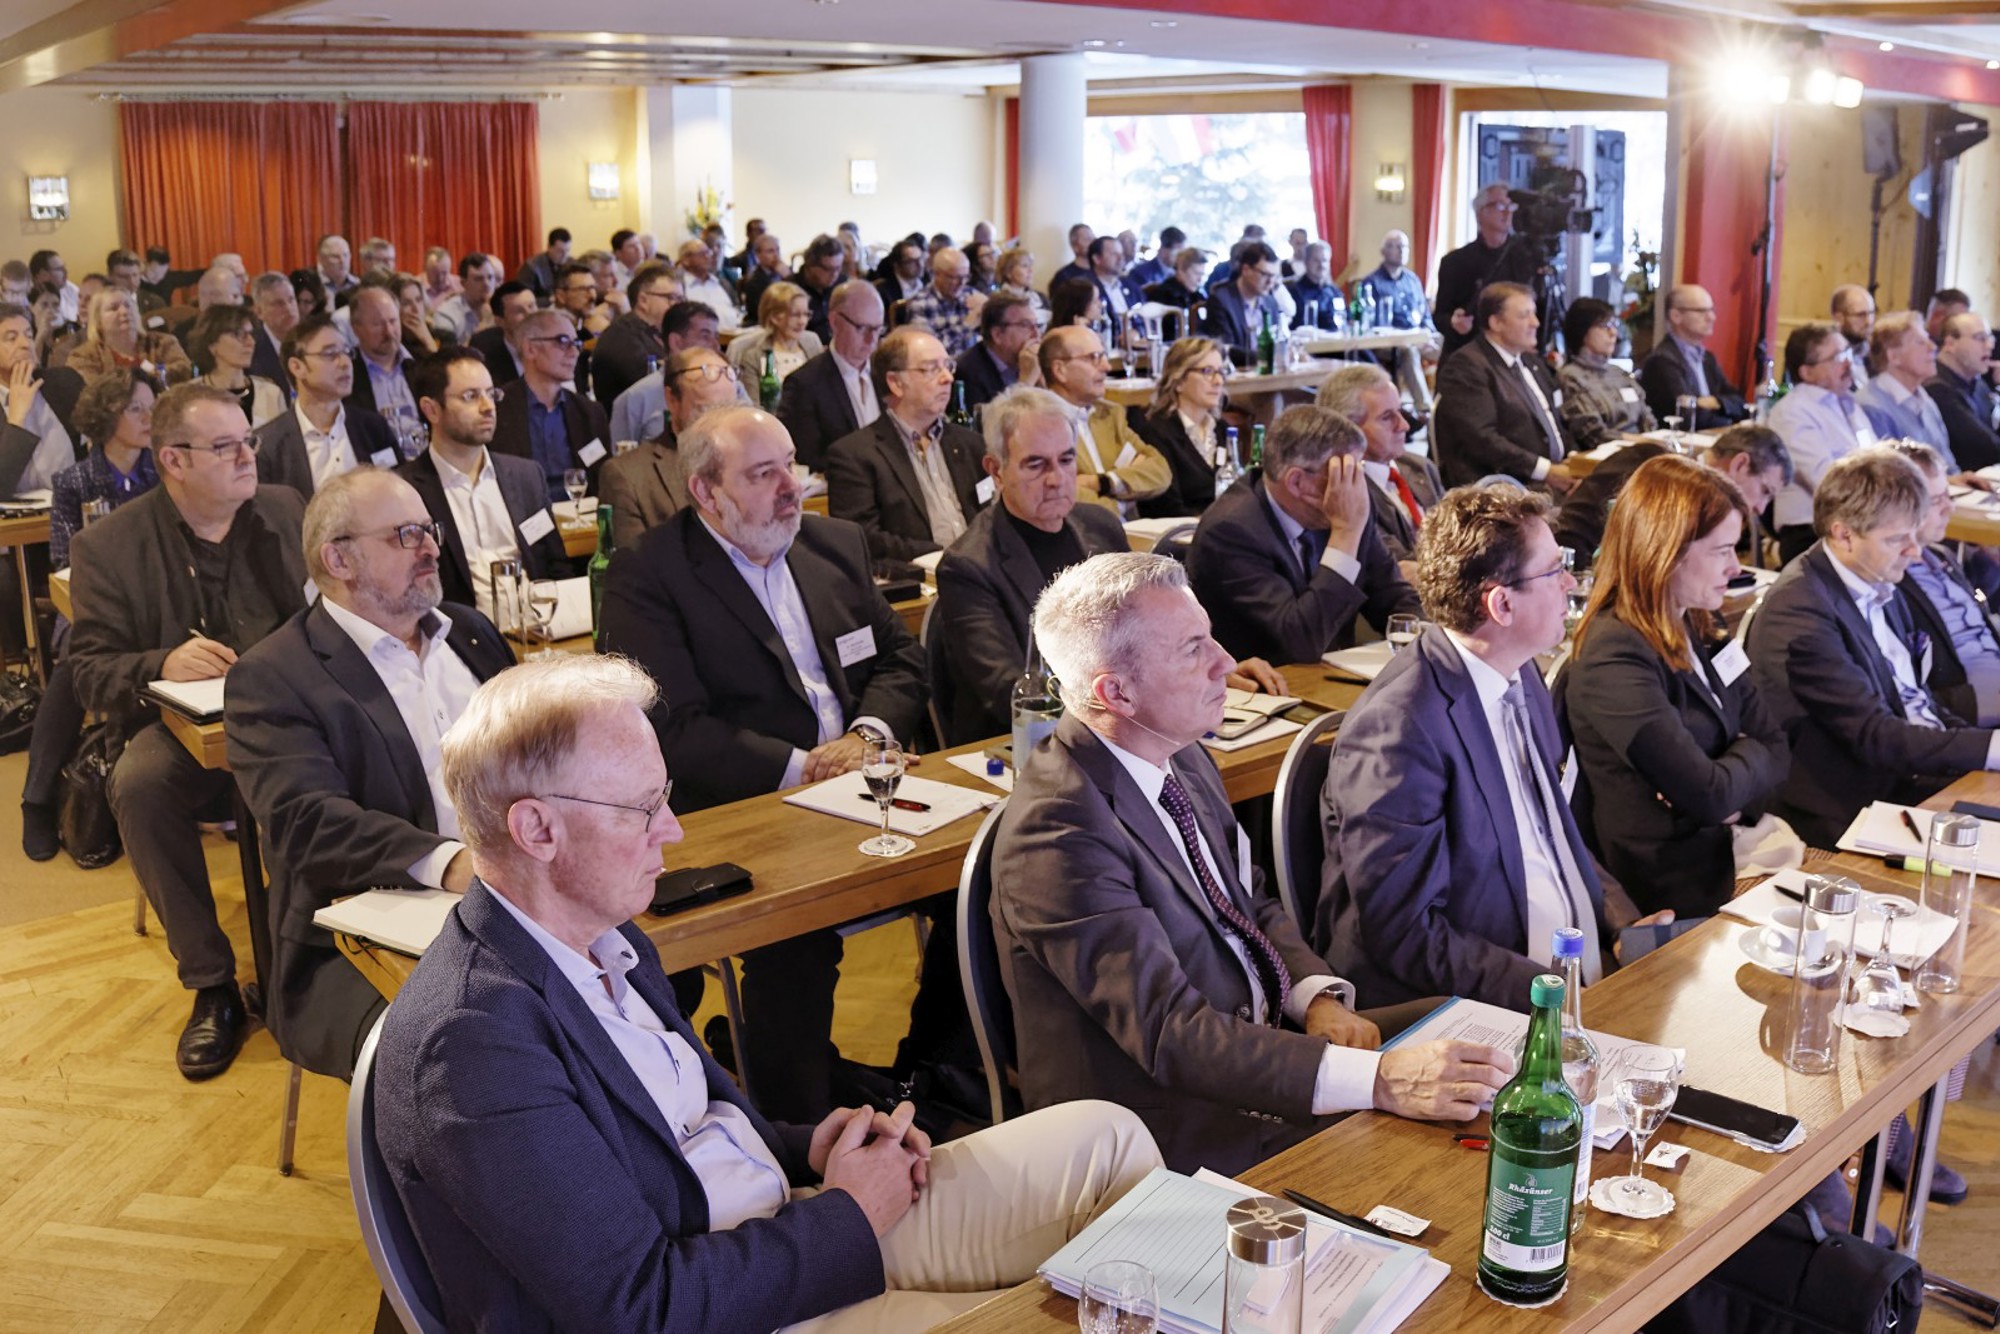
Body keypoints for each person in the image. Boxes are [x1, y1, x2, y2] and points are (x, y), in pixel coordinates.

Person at [370, 653, 1162, 1332]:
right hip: (735, 1307)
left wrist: (808, 1145)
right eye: (643, 808)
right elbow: (641, 1310)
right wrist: (851, 1213)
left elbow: (678, 1132)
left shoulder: (606, 936)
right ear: (538, 830)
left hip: (786, 1235)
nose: (673, 829)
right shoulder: (472, 1044)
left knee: (1108, 1140)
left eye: (665, 796)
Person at [992, 551, 1513, 1174]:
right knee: (1469, 1162)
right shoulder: (1057, 831)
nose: (1225, 662)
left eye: (1210, 636)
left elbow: (1248, 903)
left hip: (1265, 1050)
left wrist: (1314, 997)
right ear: (1116, 692)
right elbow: (1172, 1035)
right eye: (1193, 650)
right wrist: (1378, 1080)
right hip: (1172, 1132)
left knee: (1487, 1043)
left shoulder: (1180, 754)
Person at [600, 404, 943, 1123]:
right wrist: (807, 768)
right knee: (794, 938)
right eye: (763, 474)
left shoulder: (832, 544)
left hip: (866, 783)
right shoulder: (650, 574)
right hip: (745, 809)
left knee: (981, 882)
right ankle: (799, 1138)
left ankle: (939, 1073)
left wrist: (866, 734)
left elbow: (902, 658)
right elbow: (673, 726)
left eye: (791, 465)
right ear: (706, 491)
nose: (791, 487)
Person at [1318, 485, 1657, 1006]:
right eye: (1554, 570)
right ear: (1501, 604)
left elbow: (1550, 833)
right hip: (1471, 1004)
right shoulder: (1397, 730)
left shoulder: (1520, 671)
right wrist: (1551, 994)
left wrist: (1622, 925)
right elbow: (1405, 932)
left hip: (1574, 975)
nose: (1570, 582)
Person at [224, 469, 513, 1079]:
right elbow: (308, 823)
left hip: (519, 897)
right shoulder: (275, 675)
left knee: (644, 978)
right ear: (339, 559)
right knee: (474, 1053)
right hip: (360, 932)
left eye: (430, 530)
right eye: (405, 535)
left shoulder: (470, 633)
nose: (430, 547)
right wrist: (451, 864)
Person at [69, 383, 308, 1079]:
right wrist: (161, 662)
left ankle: (309, 959)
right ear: (173, 460)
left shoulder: (284, 510)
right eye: (226, 446)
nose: (247, 456)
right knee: (139, 784)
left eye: (248, 440)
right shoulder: (108, 545)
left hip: (287, 718)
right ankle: (212, 984)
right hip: (180, 734)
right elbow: (87, 673)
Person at [1561, 455, 1790, 918]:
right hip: (1665, 898)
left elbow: (1777, 746)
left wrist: (1727, 790)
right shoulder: (1613, 655)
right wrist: (1733, 772)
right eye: (1722, 551)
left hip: (1726, 857)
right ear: (1666, 551)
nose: (1735, 567)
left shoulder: (1704, 624)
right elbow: (1708, 795)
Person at [1746, 447, 2000, 847]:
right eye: (1897, 539)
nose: (1914, 551)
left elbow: (1918, 701)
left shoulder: (1874, 576)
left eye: (1914, 534)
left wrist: (1980, 745)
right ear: (1843, 534)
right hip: (1853, 809)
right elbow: (1874, 735)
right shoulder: (1798, 612)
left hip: (1911, 778)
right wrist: (1990, 748)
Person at [933, 386, 1129, 743]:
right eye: (1036, 465)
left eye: (1066, 460)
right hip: (1026, 743)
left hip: (1122, 723)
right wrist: (1121, 708)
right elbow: (1008, 689)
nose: (1055, 479)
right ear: (996, 470)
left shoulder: (1102, 527)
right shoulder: (969, 566)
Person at [19, 371, 161, 861]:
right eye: (136, 409)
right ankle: (37, 800)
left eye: (152, 408)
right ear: (107, 417)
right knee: (79, 661)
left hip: (157, 610)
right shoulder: (74, 482)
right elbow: (65, 562)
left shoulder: (164, 474)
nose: (149, 418)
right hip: (90, 609)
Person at [1187, 403, 1420, 663]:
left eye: (1357, 471)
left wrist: (1427, 636)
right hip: (1271, 681)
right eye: (1343, 474)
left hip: (1335, 677)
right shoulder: (1230, 532)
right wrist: (1345, 535)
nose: (1356, 486)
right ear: (1296, 482)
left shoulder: (1345, 507)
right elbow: (1300, 643)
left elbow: (1396, 600)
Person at [398, 349, 570, 609]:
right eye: (470, 396)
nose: (488, 407)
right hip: (459, 628)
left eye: (491, 394)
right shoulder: (405, 490)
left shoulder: (526, 476)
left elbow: (557, 566)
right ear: (431, 410)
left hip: (537, 621)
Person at [825, 328, 986, 562]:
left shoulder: (971, 444)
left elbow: (991, 513)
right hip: (915, 575)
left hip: (982, 571)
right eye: (931, 369)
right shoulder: (855, 455)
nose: (948, 378)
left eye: (948, 366)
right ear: (895, 383)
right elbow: (864, 539)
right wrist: (945, 557)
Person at [1552, 423, 1793, 572]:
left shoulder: (1714, 514)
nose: (1761, 509)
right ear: (1740, 464)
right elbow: (1569, 537)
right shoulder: (1645, 465)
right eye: (1765, 491)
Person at [1429, 282, 1579, 491]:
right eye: (1524, 315)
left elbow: (1558, 421)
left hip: (1554, 477)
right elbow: (1482, 440)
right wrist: (1545, 471)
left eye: (1534, 314)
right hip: (1503, 487)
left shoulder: (1530, 362)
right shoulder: (1466, 368)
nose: (1536, 323)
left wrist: (1575, 461)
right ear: (1496, 323)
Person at [1892, 440, 2000, 728]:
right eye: (1937, 500)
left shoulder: (1940, 555)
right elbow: (1904, 697)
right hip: (1969, 708)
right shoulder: (1890, 580)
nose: (1949, 508)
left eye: (1948, 496)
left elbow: (1981, 607)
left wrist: (1987, 558)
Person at [597, 347, 738, 549]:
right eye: (705, 410)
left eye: (730, 410)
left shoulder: (756, 464)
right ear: (672, 399)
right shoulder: (627, 476)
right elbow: (633, 564)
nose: (719, 423)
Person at [1768, 320, 1879, 564]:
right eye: (1838, 357)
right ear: (1807, 372)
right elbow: (1826, 483)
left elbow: (1877, 460)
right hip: (1813, 533)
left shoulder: (1849, 404)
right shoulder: (1792, 412)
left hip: (1860, 523)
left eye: (1848, 353)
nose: (1849, 363)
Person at [254, 313, 400, 498]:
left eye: (346, 352)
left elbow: (399, 490)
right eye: (330, 354)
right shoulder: (269, 446)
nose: (345, 363)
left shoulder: (373, 428)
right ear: (297, 367)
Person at [1316, 362, 1443, 568]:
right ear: (1347, 430)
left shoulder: (1419, 467)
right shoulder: (1345, 491)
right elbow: (1395, 566)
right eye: (1387, 418)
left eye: (1401, 411)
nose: (1404, 425)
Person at [1040, 325, 1171, 518]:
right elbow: (1061, 494)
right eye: (1094, 358)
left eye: (1104, 356)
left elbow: (1160, 471)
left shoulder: (1110, 414)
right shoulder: (1040, 424)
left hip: (1131, 532)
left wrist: (1103, 483)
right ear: (1060, 370)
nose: (1106, 367)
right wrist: (1122, 499)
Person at [489, 309, 613, 503]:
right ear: (530, 349)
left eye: (576, 344)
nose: (574, 352)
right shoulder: (497, 409)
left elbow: (603, 478)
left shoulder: (589, 412)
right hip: (521, 514)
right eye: (563, 342)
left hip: (582, 513)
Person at [776, 281, 885, 472]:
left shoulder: (888, 373)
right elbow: (806, 456)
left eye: (878, 329)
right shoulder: (805, 384)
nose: (872, 340)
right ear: (835, 322)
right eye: (862, 328)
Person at [1433, 184, 1540, 361]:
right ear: (1480, 213)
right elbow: (1439, 317)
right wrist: (1454, 323)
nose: (1507, 212)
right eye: (1500, 206)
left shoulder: (1527, 259)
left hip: (1515, 356)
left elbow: (1540, 309)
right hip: (1467, 355)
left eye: (1511, 206)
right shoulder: (1455, 261)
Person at [1129, 336, 1229, 518]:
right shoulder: (1157, 433)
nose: (1218, 381)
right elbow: (1168, 509)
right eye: (1207, 371)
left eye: (1221, 372)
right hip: (1181, 530)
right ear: (1179, 381)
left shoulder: (1222, 429)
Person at [606, 301, 723, 448]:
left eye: (716, 336)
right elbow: (620, 459)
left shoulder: (732, 387)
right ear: (676, 342)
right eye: (705, 336)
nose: (716, 345)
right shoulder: (635, 399)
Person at [1635, 284, 1750, 431]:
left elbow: (1741, 402)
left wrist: (1716, 402)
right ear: (1676, 316)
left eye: (1712, 310)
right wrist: (1726, 414)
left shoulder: (1707, 358)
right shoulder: (1661, 361)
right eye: (1702, 311)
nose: (1711, 317)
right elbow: (1688, 416)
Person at [1856, 311, 1956, 471]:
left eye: (1928, 339)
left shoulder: (1925, 400)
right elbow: (1890, 476)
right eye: (1920, 342)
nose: (1933, 347)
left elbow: (1948, 465)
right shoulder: (1871, 407)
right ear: (1894, 356)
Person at [0, 301, 78, 497]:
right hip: (14, 516)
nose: (25, 344)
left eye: (29, 335)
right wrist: (16, 421)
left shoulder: (65, 383)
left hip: (72, 507)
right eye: (11, 338)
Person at [1556, 297, 1655, 446]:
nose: (1613, 332)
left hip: (1643, 448)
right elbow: (1594, 434)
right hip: (1607, 453)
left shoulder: (1620, 373)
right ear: (1582, 331)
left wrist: (1653, 441)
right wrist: (1644, 442)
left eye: (1614, 325)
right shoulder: (1571, 378)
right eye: (1605, 326)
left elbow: (1647, 417)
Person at [591, 261, 681, 408]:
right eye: (670, 298)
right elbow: (654, 385)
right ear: (643, 300)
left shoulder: (659, 333)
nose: (677, 305)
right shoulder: (621, 337)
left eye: (680, 299)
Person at [345, 285, 423, 447]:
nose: (389, 332)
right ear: (356, 328)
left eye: (393, 321)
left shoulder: (421, 362)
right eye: (377, 324)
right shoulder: (346, 373)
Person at [186, 304, 286, 429]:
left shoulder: (271, 394)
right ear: (212, 344)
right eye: (239, 334)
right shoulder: (190, 396)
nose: (251, 342)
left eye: (251, 334)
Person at [1925, 311, 2000, 474]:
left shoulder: (1977, 382)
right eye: (1980, 338)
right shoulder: (1937, 388)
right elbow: (1988, 448)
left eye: (1990, 338)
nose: (1989, 345)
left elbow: (1995, 428)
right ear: (1950, 344)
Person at [66, 288, 191, 383]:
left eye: (128, 305)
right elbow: (94, 390)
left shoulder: (163, 342)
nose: (124, 311)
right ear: (98, 321)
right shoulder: (83, 356)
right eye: (114, 308)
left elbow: (185, 369)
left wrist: (154, 371)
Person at [951, 289, 1039, 414]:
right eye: (1025, 325)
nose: (1036, 334)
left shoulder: (1030, 361)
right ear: (997, 335)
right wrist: (1026, 382)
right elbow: (991, 424)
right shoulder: (967, 372)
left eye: (1037, 325)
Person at [727, 281, 825, 394]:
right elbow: (753, 402)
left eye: (806, 314)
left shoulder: (812, 342)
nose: (802, 321)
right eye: (795, 315)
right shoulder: (753, 356)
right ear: (774, 317)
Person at [1198, 241, 1285, 368]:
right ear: (1245, 270)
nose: (1270, 282)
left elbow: (1277, 339)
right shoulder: (1221, 300)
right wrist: (1264, 357)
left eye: (1274, 276)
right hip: (1237, 371)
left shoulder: (1270, 301)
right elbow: (1226, 349)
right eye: (1265, 275)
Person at [902, 247, 982, 360]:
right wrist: (965, 326)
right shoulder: (920, 304)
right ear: (937, 274)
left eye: (966, 277)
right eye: (955, 277)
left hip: (973, 362)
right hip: (944, 365)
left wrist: (987, 309)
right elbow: (927, 350)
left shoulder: (969, 294)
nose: (962, 283)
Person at [1353, 229, 1436, 334]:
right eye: (1397, 247)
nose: (1402, 251)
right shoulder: (1371, 283)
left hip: (1417, 335)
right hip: (1390, 339)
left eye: (1405, 247)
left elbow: (1425, 316)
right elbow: (1368, 322)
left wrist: (1431, 334)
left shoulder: (1413, 281)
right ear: (1383, 251)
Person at [469, 281, 538, 388]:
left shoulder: (554, 338)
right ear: (499, 321)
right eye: (519, 311)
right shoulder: (484, 349)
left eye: (531, 306)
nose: (530, 315)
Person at [429, 252, 499, 347]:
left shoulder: (503, 308)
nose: (487, 284)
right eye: (478, 279)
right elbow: (449, 354)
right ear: (463, 283)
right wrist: (485, 325)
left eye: (490, 277)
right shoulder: (446, 314)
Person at [247, 271, 300, 391]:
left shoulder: (312, 340)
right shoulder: (251, 350)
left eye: (291, 300)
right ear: (259, 312)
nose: (289, 308)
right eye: (278, 304)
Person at [675, 237, 741, 331]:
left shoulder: (722, 283)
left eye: (708, 253)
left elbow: (737, 308)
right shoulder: (679, 286)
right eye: (702, 254)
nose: (708, 257)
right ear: (686, 260)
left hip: (733, 334)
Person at [795, 234, 847, 344]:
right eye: (828, 269)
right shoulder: (792, 289)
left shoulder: (843, 284)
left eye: (838, 268)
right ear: (810, 265)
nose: (834, 275)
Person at [1085, 236, 1143, 332]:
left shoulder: (1131, 286)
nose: (1121, 258)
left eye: (1121, 254)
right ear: (1097, 259)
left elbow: (1145, 318)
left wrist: (1138, 333)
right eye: (1114, 254)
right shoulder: (1087, 289)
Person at [1142, 246, 1209, 325]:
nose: (1200, 280)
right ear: (1181, 270)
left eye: (1202, 275)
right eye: (1196, 273)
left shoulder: (1198, 297)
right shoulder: (1163, 296)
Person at [1286, 242, 1345, 331]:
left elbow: (1346, 321)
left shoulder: (1335, 292)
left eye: (1324, 260)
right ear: (1306, 261)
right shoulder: (1293, 292)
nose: (1321, 265)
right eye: (1316, 260)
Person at [1831, 284, 1877, 390]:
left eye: (1871, 313)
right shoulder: (1826, 356)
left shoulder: (1877, 352)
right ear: (1839, 318)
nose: (1868, 321)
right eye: (1861, 315)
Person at [739, 231, 790, 316]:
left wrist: (789, 277)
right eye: (770, 251)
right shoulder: (754, 282)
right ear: (758, 255)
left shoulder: (786, 272)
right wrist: (788, 279)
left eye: (777, 250)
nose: (776, 255)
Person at [514, 227, 571, 303]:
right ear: (549, 247)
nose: (564, 255)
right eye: (560, 251)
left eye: (567, 251)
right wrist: (548, 300)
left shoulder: (573, 265)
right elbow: (522, 299)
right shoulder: (531, 267)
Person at [994, 246, 1049, 322]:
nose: (1030, 270)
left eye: (1030, 266)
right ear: (1008, 272)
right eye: (1024, 266)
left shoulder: (1040, 297)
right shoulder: (999, 302)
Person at [873, 237, 927, 311]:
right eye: (912, 261)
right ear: (897, 265)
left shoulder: (928, 282)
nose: (920, 264)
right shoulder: (883, 292)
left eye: (921, 258)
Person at [1051, 223, 1094, 290]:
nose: (1093, 242)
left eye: (1093, 238)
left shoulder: (1101, 271)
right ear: (1075, 246)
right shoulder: (1064, 276)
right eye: (1087, 239)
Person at [315, 234, 358, 299]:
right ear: (321, 259)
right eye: (335, 256)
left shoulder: (359, 285)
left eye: (345, 255)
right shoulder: (312, 285)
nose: (342, 261)